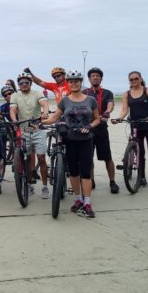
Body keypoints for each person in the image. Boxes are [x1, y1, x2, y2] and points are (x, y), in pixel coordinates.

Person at [42, 70, 101, 217]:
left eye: (77, 81)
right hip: (70, 140)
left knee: (85, 172)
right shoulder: (65, 101)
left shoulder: (90, 100)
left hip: (86, 140)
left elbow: (97, 119)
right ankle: (78, 199)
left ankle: (87, 203)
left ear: (81, 82)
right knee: (73, 172)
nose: (74, 84)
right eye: (71, 81)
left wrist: (90, 126)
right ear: (68, 84)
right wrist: (40, 123)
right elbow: (54, 118)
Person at [114, 71, 148, 188]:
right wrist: (119, 118)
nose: (134, 81)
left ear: (140, 79)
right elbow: (125, 110)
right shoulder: (126, 94)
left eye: (136, 78)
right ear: (129, 81)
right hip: (135, 126)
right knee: (140, 153)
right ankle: (142, 177)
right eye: (131, 79)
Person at [9, 72, 50, 198]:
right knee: (26, 159)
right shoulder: (15, 95)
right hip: (24, 130)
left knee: (41, 158)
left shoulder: (37, 93)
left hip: (37, 129)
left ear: (31, 83)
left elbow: (44, 103)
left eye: (26, 82)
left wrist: (45, 113)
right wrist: (14, 120)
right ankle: (29, 184)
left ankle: (45, 186)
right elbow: (13, 110)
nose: (24, 85)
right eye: (21, 83)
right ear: (18, 84)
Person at [82, 67, 119, 193]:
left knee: (107, 156)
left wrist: (107, 112)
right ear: (89, 79)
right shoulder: (84, 92)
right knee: (88, 157)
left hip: (101, 128)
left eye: (97, 75)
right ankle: (91, 180)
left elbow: (110, 104)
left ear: (101, 78)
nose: (95, 77)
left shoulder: (107, 93)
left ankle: (112, 181)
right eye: (92, 76)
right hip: (87, 127)